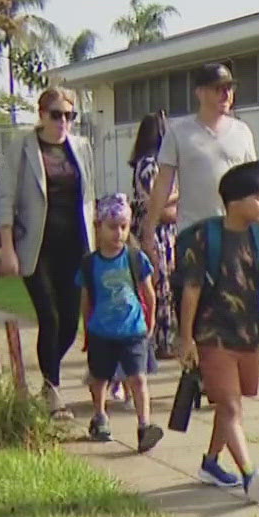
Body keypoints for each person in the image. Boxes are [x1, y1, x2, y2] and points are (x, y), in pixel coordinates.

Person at [174, 161, 259, 501]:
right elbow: (191, 290)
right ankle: (250, 476)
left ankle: (211, 463)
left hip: (248, 335)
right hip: (213, 336)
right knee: (230, 407)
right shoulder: (206, 237)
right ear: (234, 201)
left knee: (232, 405)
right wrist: (185, 337)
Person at [0, 86, 96, 412]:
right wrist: (7, 248)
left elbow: (88, 197)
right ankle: (52, 390)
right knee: (49, 317)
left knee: (69, 322)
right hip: (36, 248)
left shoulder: (79, 148)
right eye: (56, 115)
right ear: (41, 115)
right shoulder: (22, 147)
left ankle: (48, 377)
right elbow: (5, 200)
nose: (63, 122)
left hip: (73, 246)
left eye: (69, 115)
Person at [146, 62, 259, 279]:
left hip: (236, 233)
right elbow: (163, 184)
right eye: (218, 88)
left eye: (229, 88)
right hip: (194, 233)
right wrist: (149, 228)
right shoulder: (179, 133)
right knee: (193, 304)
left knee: (235, 304)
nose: (226, 94)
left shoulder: (242, 132)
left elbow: (255, 188)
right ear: (200, 92)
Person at [79, 194, 164, 452]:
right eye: (112, 227)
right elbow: (85, 299)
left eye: (124, 227)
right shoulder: (90, 264)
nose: (119, 233)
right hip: (101, 332)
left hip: (133, 330)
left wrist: (149, 324)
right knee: (99, 377)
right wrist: (86, 331)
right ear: (99, 227)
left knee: (138, 378)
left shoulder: (135, 258)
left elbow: (149, 293)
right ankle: (100, 416)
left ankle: (144, 425)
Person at [128, 111, 180, 361]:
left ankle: (165, 338)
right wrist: (179, 193)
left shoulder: (151, 163)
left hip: (165, 230)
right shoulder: (149, 164)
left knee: (166, 284)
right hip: (154, 232)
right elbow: (152, 199)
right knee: (160, 284)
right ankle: (160, 340)